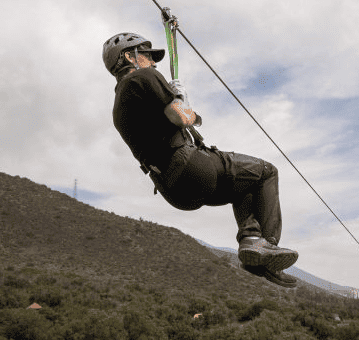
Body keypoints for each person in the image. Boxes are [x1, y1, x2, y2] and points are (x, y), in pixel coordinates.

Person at [102, 32, 299, 288]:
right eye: (148, 55)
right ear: (130, 57)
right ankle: (268, 248)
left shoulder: (119, 107)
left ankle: (252, 241)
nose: (153, 62)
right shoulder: (143, 76)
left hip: (175, 191)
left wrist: (175, 100)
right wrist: (185, 103)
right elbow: (181, 117)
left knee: (244, 183)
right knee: (266, 172)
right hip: (191, 167)